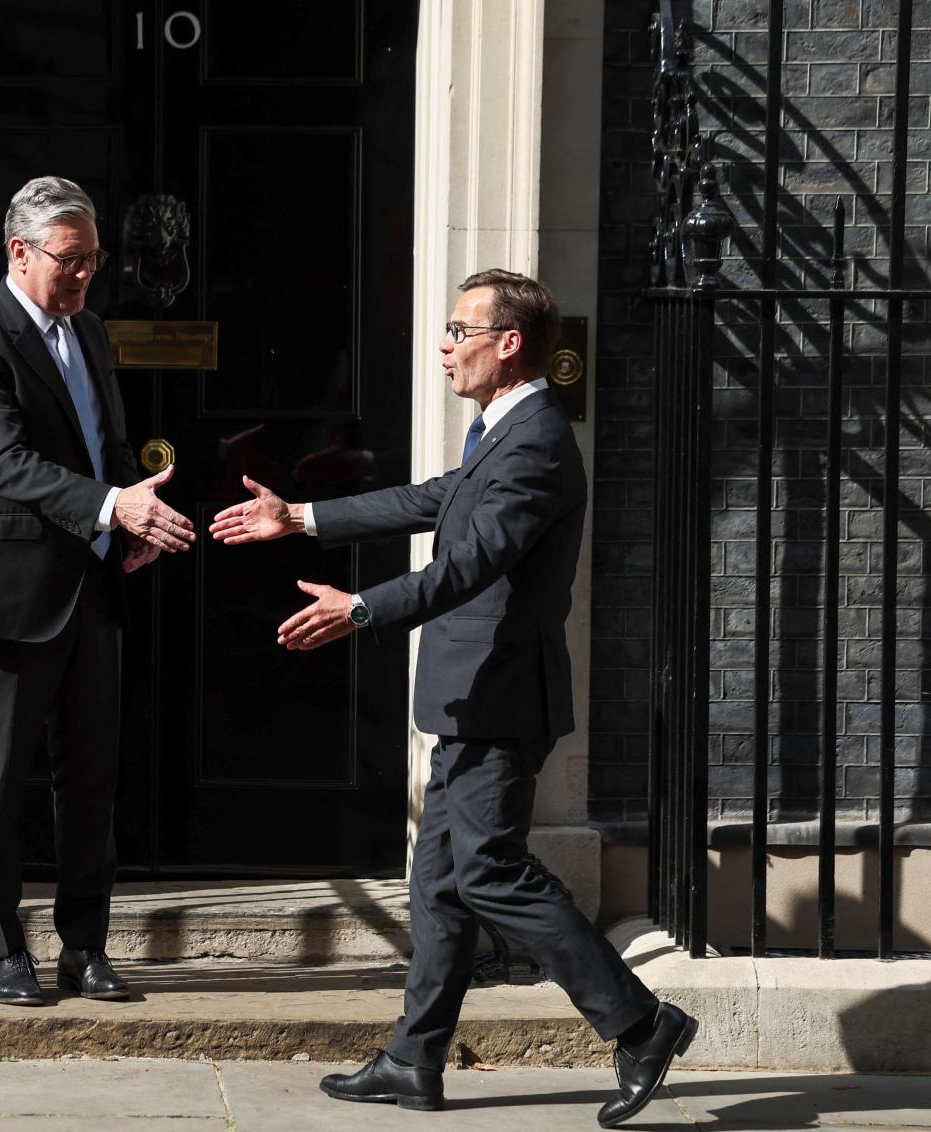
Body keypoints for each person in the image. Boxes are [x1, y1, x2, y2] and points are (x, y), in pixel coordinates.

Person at [209, 269, 695, 1127]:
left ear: (508, 344)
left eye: (457, 328)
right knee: (438, 882)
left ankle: (641, 1023)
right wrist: (303, 517)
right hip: (472, 695)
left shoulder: (539, 441)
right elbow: (432, 501)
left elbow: (470, 565)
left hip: (503, 695)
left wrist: (360, 608)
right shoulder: (502, 434)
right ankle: (412, 1059)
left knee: (488, 870)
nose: (443, 343)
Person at [0, 176, 196, 1006]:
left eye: (93, 259)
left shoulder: (89, 334)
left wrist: (134, 514)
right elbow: (7, 464)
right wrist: (113, 505)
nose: (86, 274)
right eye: (70, 260)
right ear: (20, 252)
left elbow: (104, 446)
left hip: (90, 586)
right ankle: (0, 951)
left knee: (90, 783)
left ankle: (84, 949)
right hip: (7, 592)